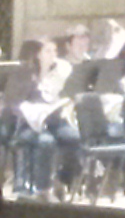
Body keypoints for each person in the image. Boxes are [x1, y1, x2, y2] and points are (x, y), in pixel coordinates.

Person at [8, 35, 79, 197]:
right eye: (48, 51)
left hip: (55, 120)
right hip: (30, 123)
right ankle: (43, 189)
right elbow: (15, 103)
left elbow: (68, 94)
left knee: (74, 137)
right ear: (38, 54)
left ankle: (62, 179)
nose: (53, 55)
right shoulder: (25, 74)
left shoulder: (60, 71)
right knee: (46, 142)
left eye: (55, 51)